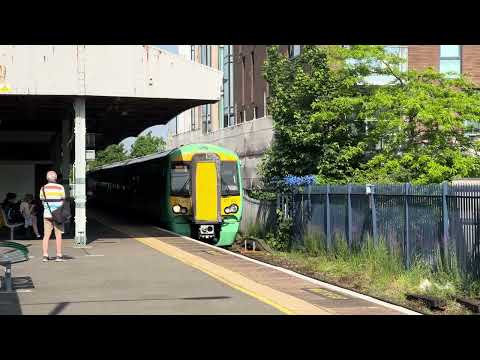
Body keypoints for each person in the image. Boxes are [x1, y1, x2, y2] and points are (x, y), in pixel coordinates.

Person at [39, 171, 66, 262]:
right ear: (56, 178)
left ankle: (45, 255)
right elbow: (63, 200)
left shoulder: (43, 188)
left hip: (47, 214)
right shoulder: (60, 187)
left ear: (47, 178)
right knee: (58, 235)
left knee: (46, 235)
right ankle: (58, 255)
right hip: (57, 215)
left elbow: (42, 201)